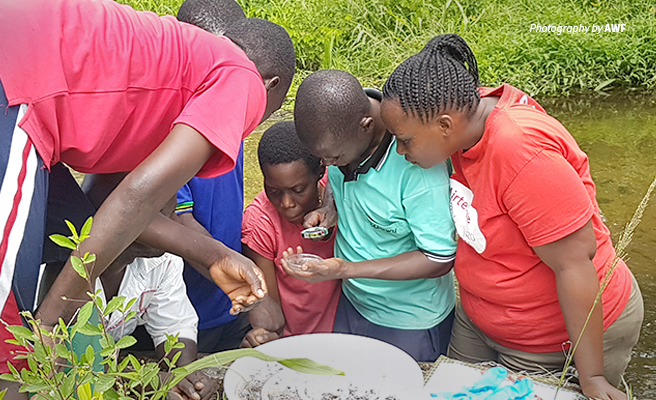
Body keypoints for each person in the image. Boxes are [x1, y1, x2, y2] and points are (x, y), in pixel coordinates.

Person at [0, 0, 295, 389]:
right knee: (11, 331)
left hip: (31, 67)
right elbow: (134, 200)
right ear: (271, 85)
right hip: (21, 78)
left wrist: (215, 255)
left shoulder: (180, 70)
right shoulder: (242, 78)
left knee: (67, 237)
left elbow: (121, 210)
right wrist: (52, 322)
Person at [380, 34, 643, 400]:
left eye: (404, 140)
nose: (399, 150)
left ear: (444, 125)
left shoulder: (520, 153)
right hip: (482, 320)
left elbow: (574, 265)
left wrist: (593, 376)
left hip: (554, 339)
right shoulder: (460, 113)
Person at [288, 70, 457, 362]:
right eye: (321, 159)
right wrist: (331, 207)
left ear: (365, 127)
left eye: (335, 159)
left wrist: (346, 270)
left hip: (408, 321)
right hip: (354, 305)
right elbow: (341, 177)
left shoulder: (418, 165)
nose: (327, 166)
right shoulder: (340, 130)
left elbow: (438, 259)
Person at [174, 0, 252, 353]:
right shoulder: (173, 135)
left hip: (227, 302)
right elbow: (178, 221)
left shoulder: (230, 113)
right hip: (182, 312)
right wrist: (227, 269)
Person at [240, 121, 341, 347]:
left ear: (319, 172)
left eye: (298, 190)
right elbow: (269, 309)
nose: (286, 204)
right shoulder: (260, 224)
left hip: (345, 330)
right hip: (292, 342)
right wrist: (266, 336)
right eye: (273, 191)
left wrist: (332, 207)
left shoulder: (337, 194)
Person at [96, 245, 213, 400]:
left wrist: (186, 376)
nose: (170, 228)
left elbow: (173, 326)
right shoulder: (68, 266)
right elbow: (72, 362)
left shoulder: (164, 259)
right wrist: (153, 381)